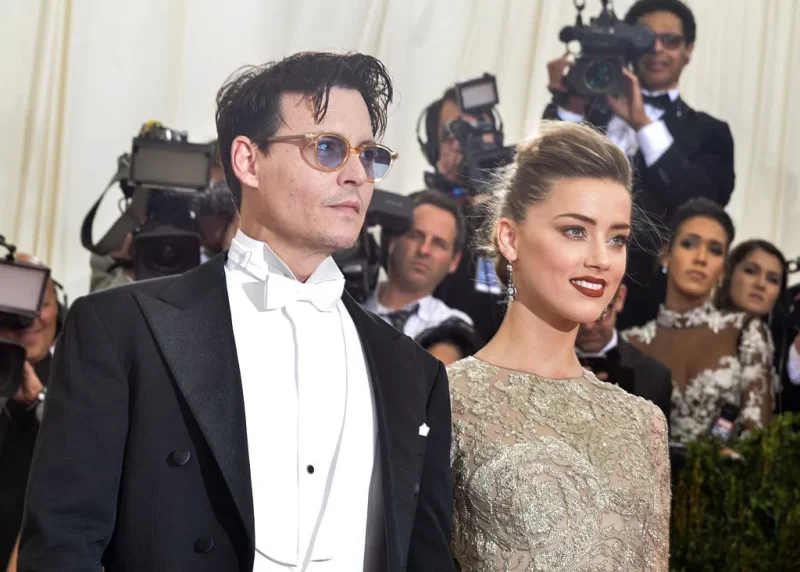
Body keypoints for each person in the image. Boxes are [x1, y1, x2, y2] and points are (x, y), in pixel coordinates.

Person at [19, 52, 454, 572]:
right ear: (248, 161)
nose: (358, 175)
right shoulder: (121, 329)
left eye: (369, 155)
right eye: (329, 148)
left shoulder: (414, 372)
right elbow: (62, 544)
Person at [448, 121, 670, 570]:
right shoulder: (447, 400)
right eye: (575, 231)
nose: (601, 260)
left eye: (617, 239)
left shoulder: (644, 423)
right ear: (510, 238)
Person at [545, 0, 736, 329]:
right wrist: (571, 104)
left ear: (689, 50)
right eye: (646, 39)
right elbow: (543, 180)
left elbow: (703, 206)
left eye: (670, 40)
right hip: (563, 286)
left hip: (649, 309)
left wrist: (643, 124)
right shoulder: (586, 110)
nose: (657, 49)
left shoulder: (709, 132)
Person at [623, 199, 774, 444]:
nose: (701, 258)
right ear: (666, 256)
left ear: (723, 270)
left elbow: (757, 439)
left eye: (715, 250)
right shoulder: (631, 343)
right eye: (689, 244)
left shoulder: (745, 331)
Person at [417, 87, 507, 344]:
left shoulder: (520, 217)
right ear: (434, 150)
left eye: (479, 129)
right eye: (456, 132)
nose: (469, 142)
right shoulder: (415, 216)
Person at [363, 191, 478, 365]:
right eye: (415, 235)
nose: (424, 250)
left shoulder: (455, 328)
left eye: (438, 243)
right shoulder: (348, 299)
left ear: (454, 261)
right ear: (393, 240)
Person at [0, 255, 62, 571]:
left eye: (42, 304)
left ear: (59, 306)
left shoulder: (78, 368)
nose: (30, 320)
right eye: (17, 311)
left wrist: (39, 400)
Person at [576, 283, 673, 422]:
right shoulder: (543, 366)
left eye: (601, 313)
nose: (589, 326)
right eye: (578, 313)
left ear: (619, 298)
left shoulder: (655, 376)